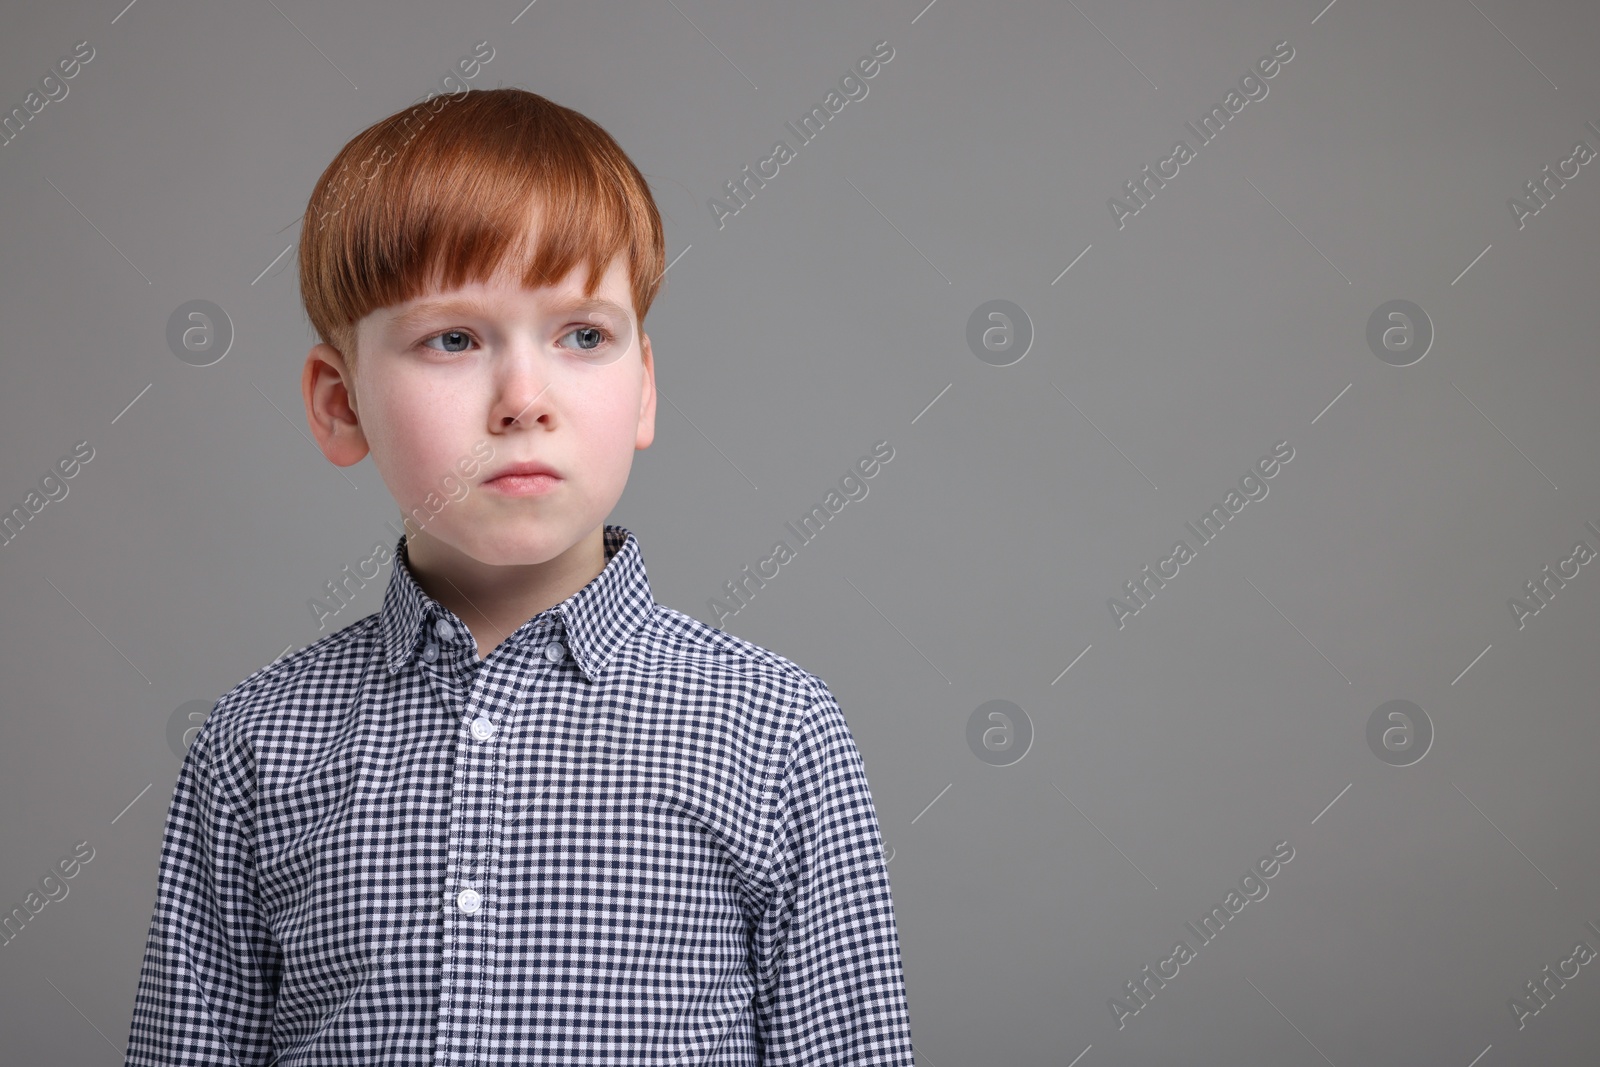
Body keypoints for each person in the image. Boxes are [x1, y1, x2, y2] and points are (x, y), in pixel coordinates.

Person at [122, 87, 916, 1065]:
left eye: (582, 335)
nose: (524, 399)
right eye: (453, 338)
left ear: (644, 386)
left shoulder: (776, 730)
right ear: (340, 405)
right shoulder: (255, 745)